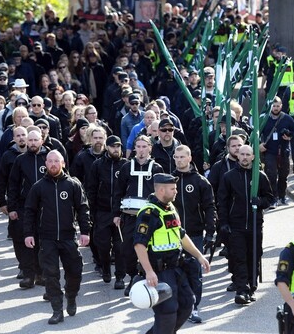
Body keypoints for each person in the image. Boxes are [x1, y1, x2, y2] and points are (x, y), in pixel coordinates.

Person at [133, 173, 211, 333]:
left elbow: (180, 235)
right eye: (173, 189)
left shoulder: (169, 208)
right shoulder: (149, 213)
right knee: (167, 312)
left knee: (187, 304)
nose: (176, 191)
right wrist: (149, 271)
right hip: (160, 272)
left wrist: (199, 256)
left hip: (177, 268)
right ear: (161, 190)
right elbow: (139, 245)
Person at [24, 150, 91, 324]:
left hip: (68, 237)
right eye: (50, 161)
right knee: (50, 274)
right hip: (47, 238)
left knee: (75, 271)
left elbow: (83, 208)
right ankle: (56, 310)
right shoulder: (38, 187)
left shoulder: (73, 185)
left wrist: (85, 231)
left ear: (63, 163)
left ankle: (71, 295)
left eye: (56, 161)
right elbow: (30, 212)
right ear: (45, 164)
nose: (53, 164)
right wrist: (28, 234)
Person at [217, 144, 273, 305]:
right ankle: (242, 289)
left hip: (255, 224)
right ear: (237, 156)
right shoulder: (229, 177)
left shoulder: (260, 177)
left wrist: (260, 201)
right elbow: (222, 202)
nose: (245, 157)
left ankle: (252, 286)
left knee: (254, 255)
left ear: (253, 157)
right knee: (239, 257)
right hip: (236, 225)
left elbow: (269, 198)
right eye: (242, 154)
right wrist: (224, 223)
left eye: (248, 154)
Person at [113, 135, 163, 295]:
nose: (141, 150)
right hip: (129, 215)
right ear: (135, 148)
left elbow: (162, 193)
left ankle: (146, 277)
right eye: (138, 147)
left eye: (144, 146)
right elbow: (117, 192)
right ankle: (133, 277)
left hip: (150, 216)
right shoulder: (126, 167)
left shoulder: (157, 168)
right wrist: (116, 214)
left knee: (149, 249)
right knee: (127, 249)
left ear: (150, 148)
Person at [172, 145, 216, 323]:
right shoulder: (169, 180)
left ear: (190, 158)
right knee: (174, 271)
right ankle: (175, 306)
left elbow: (210, 207)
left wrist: (210, 231)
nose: (179, 160)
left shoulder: (200, 182)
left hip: (194, 234)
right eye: (176, 157)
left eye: (183, 157)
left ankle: (194, 307)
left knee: (195, 272)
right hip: (172, 234)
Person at [7, 129, 49, 289]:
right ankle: (28, 274)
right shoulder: (20, 160)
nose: (32, 143)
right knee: (26, 240)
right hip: (25, 206)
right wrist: (12, 207)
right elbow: (13, 185)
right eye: (29, 140)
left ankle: (41, 273)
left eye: (35, 140)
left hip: (45, 207)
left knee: (42, 241)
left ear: (41, 141)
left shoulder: (49, 157)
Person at [86, 135, 129, 289]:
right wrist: (91, 210)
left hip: (121, 212)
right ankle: (105, 268)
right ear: (107, 147)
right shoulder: (98, 165)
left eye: (118, 146)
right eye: (112, 146)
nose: (115, 149)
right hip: (102, 212)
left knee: (120, 247)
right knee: (102, 245)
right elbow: (91, 188)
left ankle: (120, 277)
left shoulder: (126, 165)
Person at [260, 97, 294, 207]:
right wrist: (259, 145)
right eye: (274, 106)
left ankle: (282, 196)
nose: (276, 108)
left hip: (283, 151)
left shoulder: (287, 119)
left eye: (278, 106)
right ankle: (273, 198)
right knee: (271, 175)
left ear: (281, 106)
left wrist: (289, 137)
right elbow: (256, 133)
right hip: (269, 151)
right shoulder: (264, 119)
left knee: (283, 175)